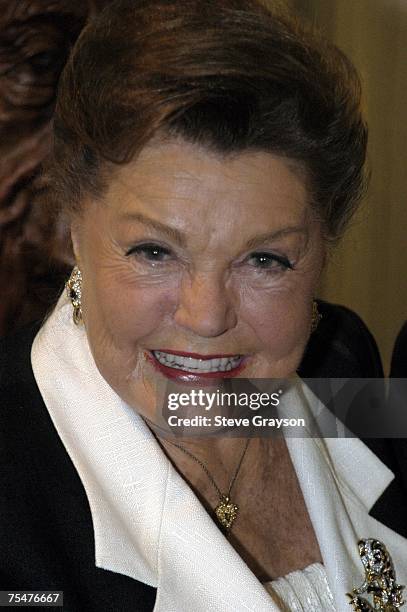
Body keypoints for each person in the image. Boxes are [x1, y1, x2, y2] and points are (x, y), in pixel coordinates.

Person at [1, 1, 405, 611]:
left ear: (325, 247)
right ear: (74, 224)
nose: (207, 316)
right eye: (154, 251)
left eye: (265, 260)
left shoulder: (343, 359)